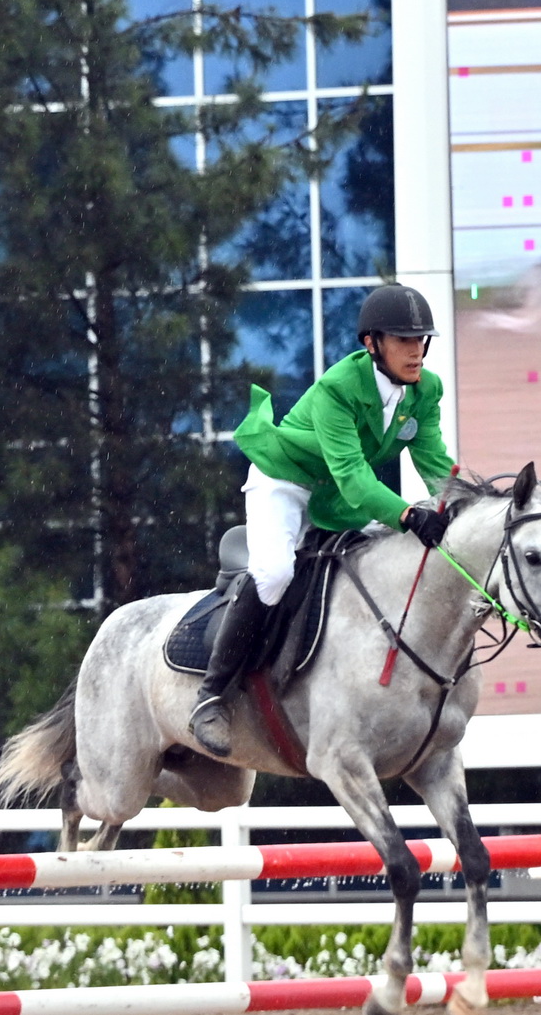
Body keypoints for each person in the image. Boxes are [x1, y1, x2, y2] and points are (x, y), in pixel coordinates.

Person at [188, 283, 457, 757]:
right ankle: (211, 695)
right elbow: (355, 477)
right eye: (403, 341)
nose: (416, 351)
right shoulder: (338, 388)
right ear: (372, 344)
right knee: (274, 574)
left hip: (335, 494)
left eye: (421, 341)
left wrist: (461, 504)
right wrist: (409, 513)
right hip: (286, 482)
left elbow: (434, 460)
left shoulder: (425, 390)